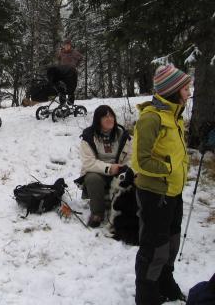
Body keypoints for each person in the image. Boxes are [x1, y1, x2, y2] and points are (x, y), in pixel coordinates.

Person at [132, 64, 191, 304]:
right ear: (173, 90)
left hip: (173, 192)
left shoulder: (175, 116)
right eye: (186, 87)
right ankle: (146, 294)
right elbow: (140, 160)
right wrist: (169, 169)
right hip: (155, 193)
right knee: (154, 248)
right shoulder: (151, 118)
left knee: (171, 243)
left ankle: (165, 282)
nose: (189, 91)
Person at [76, 105, 132, 227]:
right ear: (98, 120)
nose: (109, 119)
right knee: (92, 178)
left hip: (119, 171)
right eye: (105, 117)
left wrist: (125, 169)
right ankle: (97, 213)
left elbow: (130, 158)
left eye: (111, 116)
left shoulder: (122, 135)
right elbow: (88, 162)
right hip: (98, 172)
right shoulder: (89, 137)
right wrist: (109, 168)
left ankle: (125, 211)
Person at [54, 39, 83, 105]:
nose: (67, 47)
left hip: (71, 73)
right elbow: (57, 59)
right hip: (62, 73)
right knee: (61, 88)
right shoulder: (61, 52)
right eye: (65, 45)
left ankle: (70, 104)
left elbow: (81, 58)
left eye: (68, 45)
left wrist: (76, 65)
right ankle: (62, 104)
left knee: (71, 89)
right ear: (63, 46)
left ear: (70, 46)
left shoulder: (74, 52)